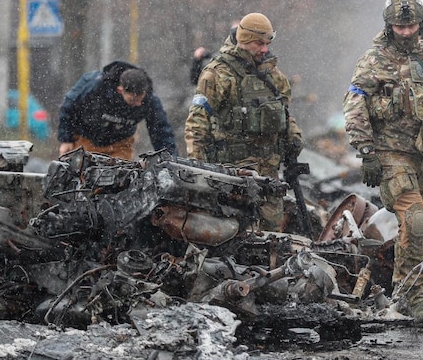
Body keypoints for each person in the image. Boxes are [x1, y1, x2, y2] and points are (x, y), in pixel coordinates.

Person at [342, 0, 423, 325]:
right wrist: (367, 151)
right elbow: (354, 105)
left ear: (420, 24)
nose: (406, 31)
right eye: (399, 26)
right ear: (389, 26)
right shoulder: (374, 60)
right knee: (413, 221)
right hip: (392, 154)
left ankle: (403, 288)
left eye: (411, 25)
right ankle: (418, 296)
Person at [184, 13, 304, 232]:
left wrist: (293, 138)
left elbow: (283, 113)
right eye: (259, 43)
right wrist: (198, 169)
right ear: (244, 40)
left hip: (268, 174)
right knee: (233, 235)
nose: (265, 49)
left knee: (270, 236)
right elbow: (196, 123)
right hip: (231, 175)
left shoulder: (273, 76)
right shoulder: (217, 75)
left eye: (267, 43)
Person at [57, 61, 177, 160]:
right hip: (86, 138)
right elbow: (69, 106)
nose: (138, 104)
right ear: (120, 90)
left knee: (120, 181)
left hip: (121, 143)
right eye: (133, 100)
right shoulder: (95, 87)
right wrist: (66, 139)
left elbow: (161, 130)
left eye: (141, 99)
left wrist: (170, 159)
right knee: (86, 180)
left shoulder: (150, 100)